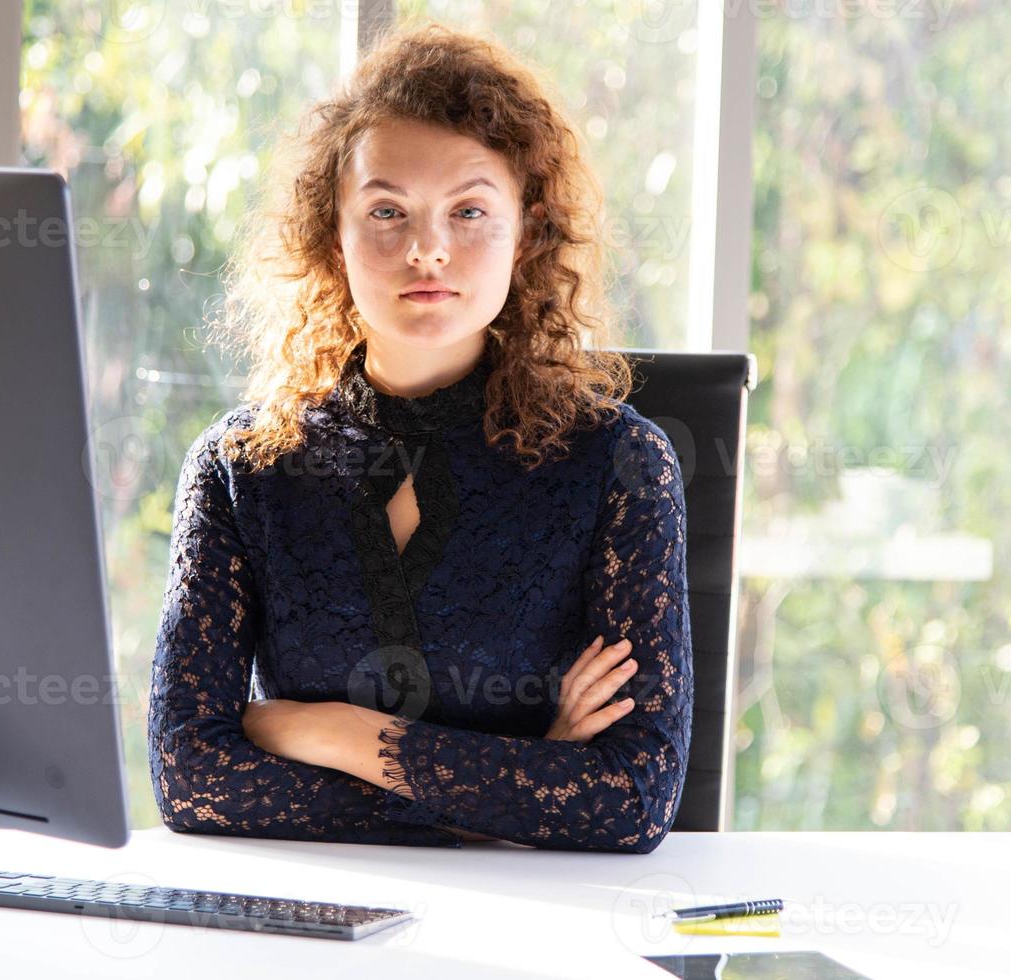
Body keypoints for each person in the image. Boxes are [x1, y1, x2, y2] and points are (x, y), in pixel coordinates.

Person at [148, 20, 693, 853]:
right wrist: (522, 779)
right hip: (308, 926)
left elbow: (630, 801)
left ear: (527, 231)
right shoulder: (239, 469)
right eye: (387, 210)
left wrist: (333, 733)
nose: (428, 250)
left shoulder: (618, 465)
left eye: (469, 210)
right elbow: (191, 777)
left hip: (544, 929)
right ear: (335, 234)